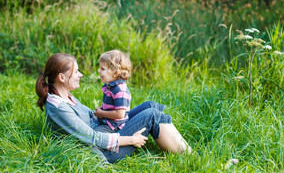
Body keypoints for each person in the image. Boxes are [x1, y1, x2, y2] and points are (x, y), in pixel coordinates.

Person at [35, 53, 191, 164]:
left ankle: (172, 141)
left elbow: (90, 117)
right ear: (62, 77)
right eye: (76, 72)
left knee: (149, 105)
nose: (81, 75)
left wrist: (101, 113)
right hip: (104, 150)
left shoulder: (65, 95)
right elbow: (93, 138)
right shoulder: (59, 108)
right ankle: (189, 155)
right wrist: (131, 139)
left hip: (105, 130)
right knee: (151, 115)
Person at [94, 50, 132, 131]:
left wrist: (101, 113)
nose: (99, 71)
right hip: (107, 121)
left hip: (114, 126)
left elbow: (120, 114)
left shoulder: (120, 90)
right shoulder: (111, 86)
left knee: (96, 135)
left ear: (115, 73)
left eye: (102, 69)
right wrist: (101, 109)